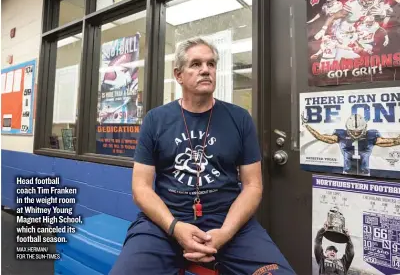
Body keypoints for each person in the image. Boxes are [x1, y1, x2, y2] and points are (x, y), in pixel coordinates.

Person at [109, 37, 296, 275]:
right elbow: (141, 188)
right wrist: (175, 228)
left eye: (211, 64)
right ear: (178, 75)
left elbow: (253, 186)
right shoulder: (156, 120)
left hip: (227, 221)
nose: (206, 70)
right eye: (196, 64)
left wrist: (226, 233)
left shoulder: (239, 119)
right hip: (166, 222)